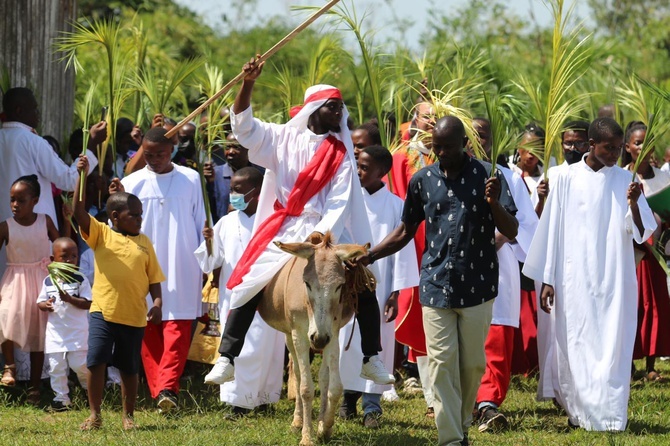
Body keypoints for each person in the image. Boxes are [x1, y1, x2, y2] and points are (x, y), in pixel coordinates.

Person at [203, 55, 394, 388]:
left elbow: (339, 198)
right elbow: (244, 128)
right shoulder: (280, 137)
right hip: (285, 226)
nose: (339, 113)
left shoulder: (340, 152)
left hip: (327, 229)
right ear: (314, 108)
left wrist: (321, 234)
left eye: (340, 108)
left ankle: (371, 356)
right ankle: (227, 357)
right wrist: (247, 83)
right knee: (249, 280)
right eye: (332, 107)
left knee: (364, 280)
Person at [355, 116, 518, 446]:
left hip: (478, 286)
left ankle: (461, 423)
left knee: (472, 365)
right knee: (442, 365)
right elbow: (404, 231)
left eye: (448, 147)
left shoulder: (489, 176)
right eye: (436, 147)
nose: (441, 153)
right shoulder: (422, 180)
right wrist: (370, 256)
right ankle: (452, 439)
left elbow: (511, 230)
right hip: (435, 285)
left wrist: (493, 202)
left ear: (464, 144)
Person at [523, 117, 656, 431]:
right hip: (574, 276)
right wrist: (548, 279)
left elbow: (641, 232)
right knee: (577, 340)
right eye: (608, 148)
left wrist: (635, 204)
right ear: (591, 145)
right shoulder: (565, 177)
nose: (614, 154)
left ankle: (611, 415)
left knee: (613, 341)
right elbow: (552, 228)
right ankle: (580, 413)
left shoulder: (625, 179)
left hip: (614, 276)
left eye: (617, 148)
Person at [114, 126, 205, 413]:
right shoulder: (132, 182)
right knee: (148, 327)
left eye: (161, 154)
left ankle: (167, 387)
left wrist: (206, 260)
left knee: (177, 325)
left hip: (182, 261)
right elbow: (117, 227)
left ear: (173, 150)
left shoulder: (190, 178)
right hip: (143, 261)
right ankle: (161, 390)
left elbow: (200, 220)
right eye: (149, 155)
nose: (154, 160)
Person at [73, 155, 164, 430]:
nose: (139, 219)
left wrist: (157, 303)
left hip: (134, 316)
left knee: (129, 368)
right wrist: (82, 177)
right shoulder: (101, 234)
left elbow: (154, 279)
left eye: (140, 214)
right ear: (115, 216)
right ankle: (95, 414)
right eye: (133, 215)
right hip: (103, 310)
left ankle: (128, 416)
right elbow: (77, 212)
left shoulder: (145, 242)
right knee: (96, 361)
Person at [338, 145, 419, 428]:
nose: (358, 171)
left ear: (382, 172)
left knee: (376, 345)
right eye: (357, 165)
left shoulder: (396, 205)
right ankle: (348, 399)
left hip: (381, 286)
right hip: (348, 284)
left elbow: (403, 251)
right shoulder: (347, 200)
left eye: (364, 167)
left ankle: (372, 406)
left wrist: (396, 294)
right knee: (347, 342)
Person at [195, 167, 285, 415]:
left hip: (267, 295)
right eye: (232, 188)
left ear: (257, 193)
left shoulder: (272, 221)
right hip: (234, 297)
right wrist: (209, 242)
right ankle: (239, 402)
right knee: (239, 348)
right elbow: (211, 261)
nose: (232, 194)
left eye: (238, 190)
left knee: (268, 348)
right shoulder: (226, 222)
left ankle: (265, 399)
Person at [468, 118, 538, 433]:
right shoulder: (448, 175)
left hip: (498, 264)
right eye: (471, 134)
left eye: (482, 135)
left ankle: (488, 403)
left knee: (494, 335)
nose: (476, 140)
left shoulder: (508, 177)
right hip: (459, 267)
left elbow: (524, 223)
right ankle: (462, 398)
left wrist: (495, 239)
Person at [0, 87, 101, 277]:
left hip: (5, 232)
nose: (38, 114)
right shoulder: (33, 142)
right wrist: (92, 145)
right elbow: (69, 180)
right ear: (20, 110)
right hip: (35, 231)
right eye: (34, 108)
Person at [387, 100, 437, 413]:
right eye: (427, 116)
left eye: (438, 117)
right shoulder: (401, 157)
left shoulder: (456, 156)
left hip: (447, 245)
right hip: (414, 244)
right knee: (416, 314)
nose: (432, 122)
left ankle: (442, 394)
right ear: (414, 119)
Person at [0, 175, 60, 401]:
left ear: (35, 200)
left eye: (21, 200)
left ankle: (35, 385)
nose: (15, 205)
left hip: (40, 279)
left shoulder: (45, 221)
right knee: (5, 317)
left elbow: (61, 245)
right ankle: (10, 366)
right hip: (14, 279)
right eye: (12, 200)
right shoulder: (5, 226)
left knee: (38, 331)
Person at [622, 121, 670, 381]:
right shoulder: (622, 176)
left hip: (656, 254)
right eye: (638, 142)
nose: (643, 147)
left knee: (655, 304)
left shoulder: (664, 178)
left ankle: (651, 364)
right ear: (628, 146)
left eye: (647, 142)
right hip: (631, 253)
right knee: (632, 305)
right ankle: (628, 362)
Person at [37, 237, 92, 411]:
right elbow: (40, 301)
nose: (69, 260)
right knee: (56, 367)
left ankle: (88, 390)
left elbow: (88, 303)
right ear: (53, 260)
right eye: (64, 256)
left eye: (74, 256)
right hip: (56, 333)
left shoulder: (80, 279)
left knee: (79, 365)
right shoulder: (48, 281)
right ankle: (61, 399)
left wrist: (70, 299)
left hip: (77, 332)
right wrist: (45, 305)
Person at [204, 133, 263, 221]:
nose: (231, 152)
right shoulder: (214, 174)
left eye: (237, 147)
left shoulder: (260, 174)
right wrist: (207, 182)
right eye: (227, 147)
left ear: (248, 149)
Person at [510, 123, 545, 197]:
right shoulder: (510, 172)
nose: (531, 151)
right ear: (518, 147)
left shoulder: (546, 176)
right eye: (528, 146)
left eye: (536, 147)